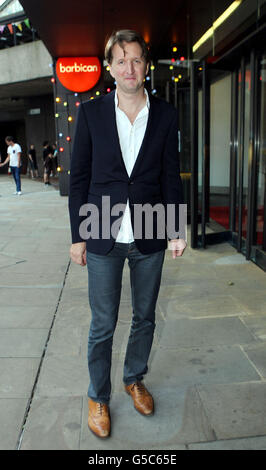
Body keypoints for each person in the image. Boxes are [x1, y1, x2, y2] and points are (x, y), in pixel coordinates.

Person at [68, 29, 187, 439]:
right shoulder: (91, 112)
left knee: (144, 317)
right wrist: (77, 235)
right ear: (109, 67)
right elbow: (79, 176)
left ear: (145, 65)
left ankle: (133, 378)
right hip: (101, 229)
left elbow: (171, 176)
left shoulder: (166, 114)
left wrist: (176, 228)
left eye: (136, 59)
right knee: (102, 324)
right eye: (121, 60)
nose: (129, 68)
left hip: (151, 230)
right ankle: (98, 396)